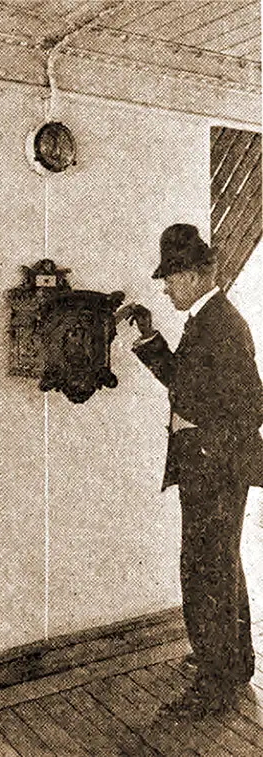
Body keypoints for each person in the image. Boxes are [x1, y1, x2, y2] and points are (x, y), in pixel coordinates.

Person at [125, 223, 263, 718]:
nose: (165, 286)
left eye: (171, 277)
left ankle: (214, 682)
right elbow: (187, 382)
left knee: (204, 569)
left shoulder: (222, 323)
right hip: (212, 465)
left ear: (198, 274)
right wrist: (149, 337)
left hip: (214, 468)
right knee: (220, 564)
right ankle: (234, 664)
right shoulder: (206, 321)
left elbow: (253, 405)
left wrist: (201, 439)